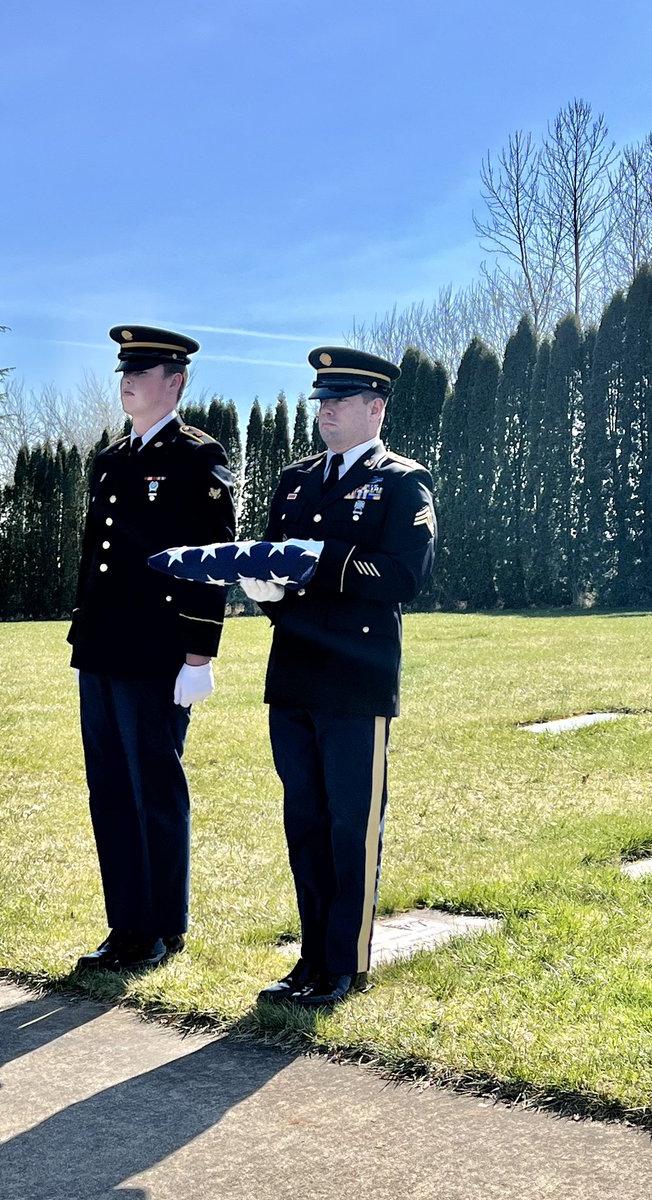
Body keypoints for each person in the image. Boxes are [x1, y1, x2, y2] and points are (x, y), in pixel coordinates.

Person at [242, 347, 436, 1007]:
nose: (325, 412)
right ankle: (310, 960)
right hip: (293, 675)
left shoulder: (403, 481)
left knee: (351, 823)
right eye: (321, 401)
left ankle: (344, 964)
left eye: (339, 401)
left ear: (374, 408)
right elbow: (270, 566)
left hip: (355, 682)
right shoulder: (295, 481)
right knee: (304, 821)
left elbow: (404, 575)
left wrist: (320, 562)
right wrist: (261, 583)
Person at [68, 325, 236, 972]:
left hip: (158, 650)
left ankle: (162, 928)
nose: (128, 381)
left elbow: (212, 560)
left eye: (142, 372)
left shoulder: (198, 456)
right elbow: (95, 555)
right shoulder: (110, 460)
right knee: (108, 788)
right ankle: (124, 926)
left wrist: (201, 654)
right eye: (124, 372)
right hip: (103, 647)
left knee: (153, 789)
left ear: (177, 382)